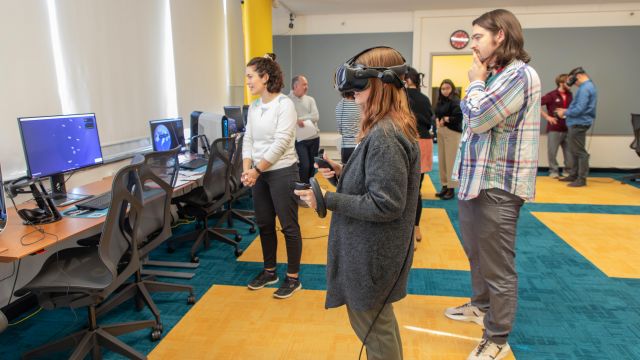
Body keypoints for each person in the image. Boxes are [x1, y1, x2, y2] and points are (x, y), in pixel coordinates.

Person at [296, 46, 419, 360]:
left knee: (374, 329)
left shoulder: (386, 135)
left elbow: (386, 204)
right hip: (375, 250)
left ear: (380, 84)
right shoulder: (389, 126)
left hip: (373, 254)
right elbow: (376, 187)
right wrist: (341, 175)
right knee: (378, 324)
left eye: (359, 89)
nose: (354, 97)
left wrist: (327, 199)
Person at [447, 9, 540, 360]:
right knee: (476, 254)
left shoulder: (518, 75)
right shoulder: (493, 75)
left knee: (498, 266)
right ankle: (480, 305)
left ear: (499, 36)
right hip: (475, 180)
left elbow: (479, 118)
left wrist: (473, 81)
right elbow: (470, 123)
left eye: (477, 37)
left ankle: (497, 337)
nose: (471, 44)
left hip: (499, 184)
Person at [242, 53, 303, 299]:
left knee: (288, 226)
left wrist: (256, 170)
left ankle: (293, 277)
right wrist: (247, 168)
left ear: (265, 77)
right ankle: (270, 272)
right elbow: (248, 138)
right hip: (259, 173)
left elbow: (280, 143)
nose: (247, 81)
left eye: (250, 76)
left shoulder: (284, 104)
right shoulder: (255, 106)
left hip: (282, 171)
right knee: (265, 223)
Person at [405, 66, 433, 244]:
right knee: (417, 190)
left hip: (409, 141)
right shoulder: (424, 98)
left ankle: (407, 231)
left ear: (406, 80)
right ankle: (416, 228)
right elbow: (429, 120)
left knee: (404, 188)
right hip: (425, 142)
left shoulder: (402, 97)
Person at [555, 67, 597, 187]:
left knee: (579, 152)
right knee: (574, 150)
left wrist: (564, 113)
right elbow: (579, 107)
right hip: (578, 122)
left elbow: (580, 109)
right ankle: (574, 175)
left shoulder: (585, 89)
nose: (575, 85)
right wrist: (566, 110)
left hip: (579, 123)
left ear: (578, 77)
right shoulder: (587, 87)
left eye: (574, 82)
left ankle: (581, 179)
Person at [434, 79, 463, 200]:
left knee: (451, 161)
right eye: (443, 88)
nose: (445, 90)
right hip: (441, 132)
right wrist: (436, 120)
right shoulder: (440, 101)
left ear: (452, 88)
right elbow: (436, 114)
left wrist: (445, 119)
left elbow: (459, 116)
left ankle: (451, 189)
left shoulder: (456, 101)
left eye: (447, 88)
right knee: (442, 161)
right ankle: (444, 186)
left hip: (452, 132)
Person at [289, 75, 320, 183]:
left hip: (314, 137)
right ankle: (303, 187)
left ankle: (311, 187)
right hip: (300, 139)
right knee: (305, 165)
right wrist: (296, 120)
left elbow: (316, 116)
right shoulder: (287, 101)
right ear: (295, 86)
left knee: (313, 166)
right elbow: (288, 118)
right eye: (304, 84)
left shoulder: (310, 100)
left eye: (307, 84)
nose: (307, 87)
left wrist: (300, 119)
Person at [541, 73, 573, 178]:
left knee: (569, 153)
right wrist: (547, 117)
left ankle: (568, 171)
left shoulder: (570, 95)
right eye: (567, 82)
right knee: (552, 152)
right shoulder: (551, 95)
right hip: (554, 128)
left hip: (568, 128)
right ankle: (553, 171)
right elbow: (535, 104)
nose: (570, 84)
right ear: (561, 83)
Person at [335, 91, 360, 164]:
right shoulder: (361, 104)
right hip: (359, 146)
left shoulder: (339, 106)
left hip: (345, 148)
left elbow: (340, 131)